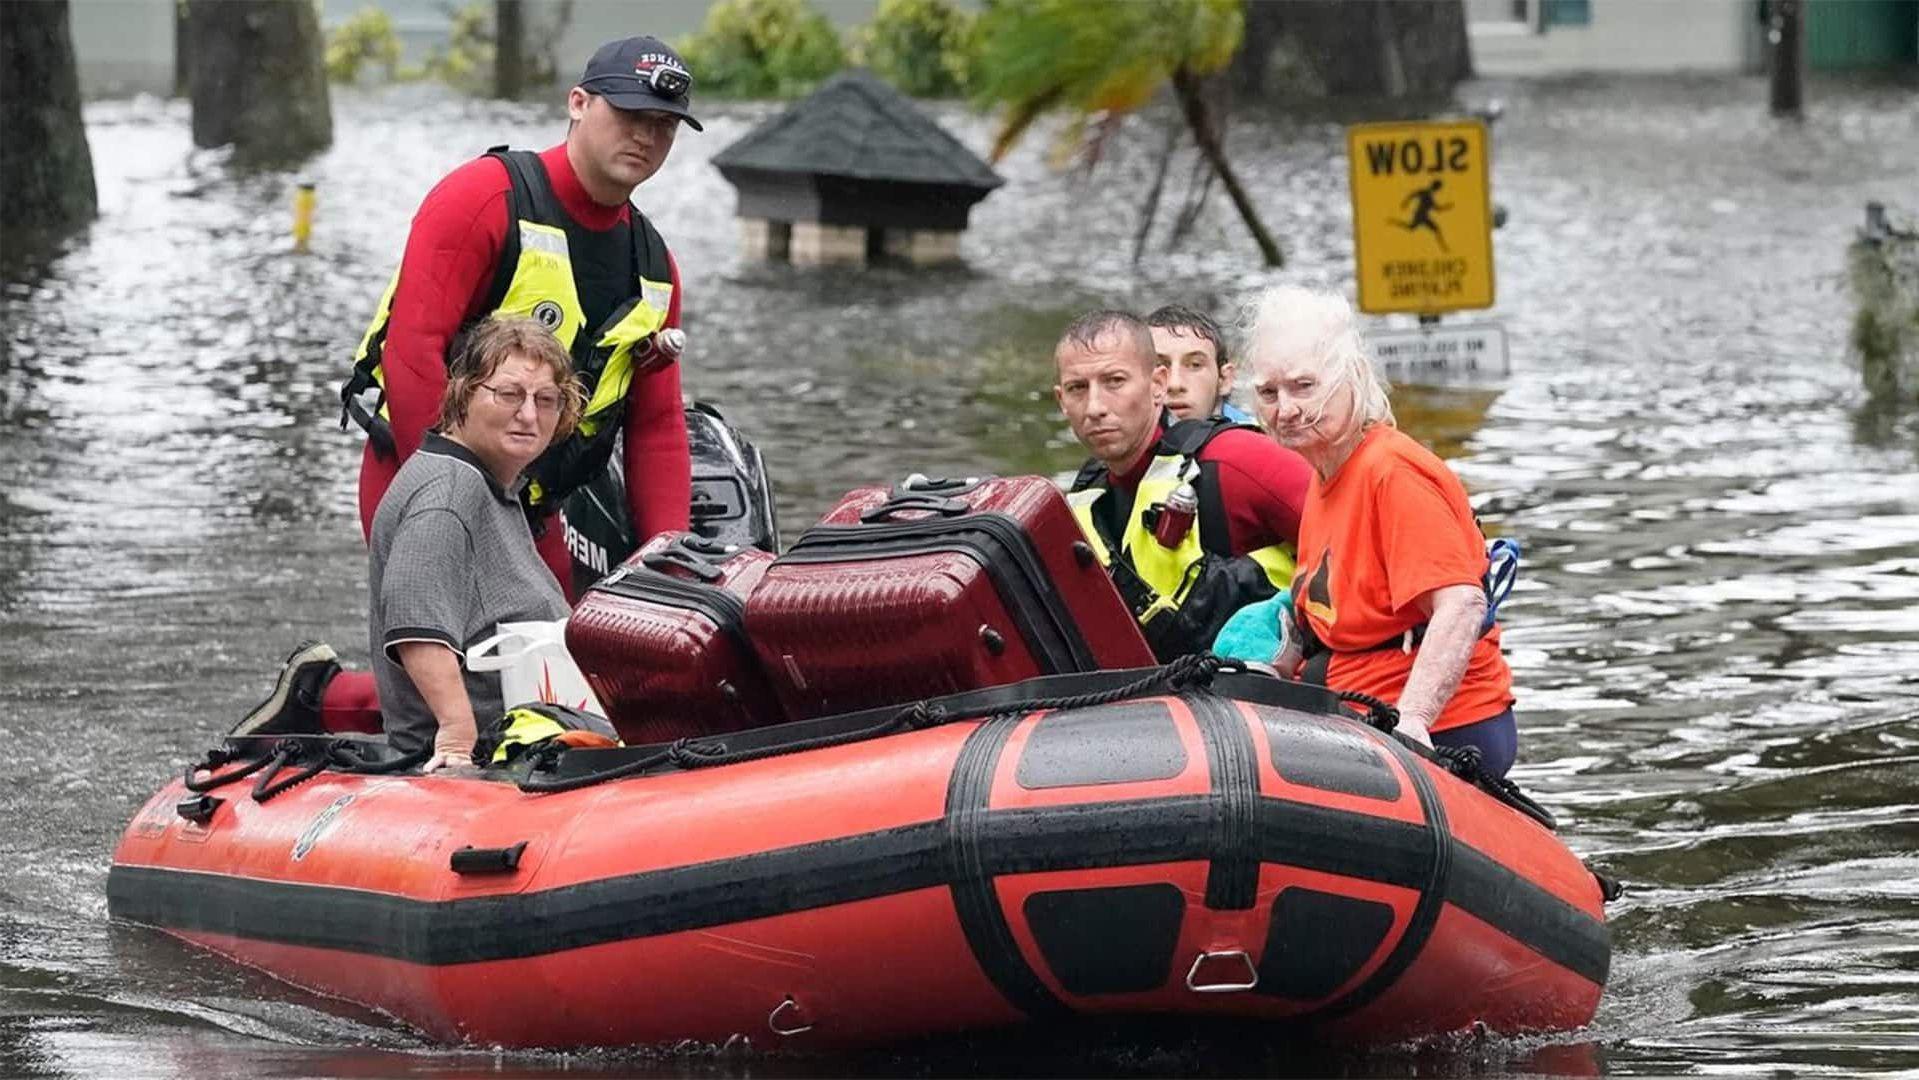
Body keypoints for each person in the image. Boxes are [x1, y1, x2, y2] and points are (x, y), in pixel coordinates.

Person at [339, 35, 699, 601]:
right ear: (577, 103)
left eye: (665, 124)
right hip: (421, 478)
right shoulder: (482, 198)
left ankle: (319, 690)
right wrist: (459, 502)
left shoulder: (655, 267)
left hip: (534, 504)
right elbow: (411, 355)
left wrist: (668, 564)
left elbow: (655, 428)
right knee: (443, 678)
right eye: (630, 113)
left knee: (550, 674)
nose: (646, 136)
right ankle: (326, 691)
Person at [241, 317, 587, 772]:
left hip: (538, 739)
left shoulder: (485, 481)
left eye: (546, 400)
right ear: (463, 393)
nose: (528, 414)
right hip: (487, 758)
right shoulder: (446, 497)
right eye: (508, 394)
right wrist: (457, 737)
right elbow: (416, 623)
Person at [1241, 284, 1517, 774]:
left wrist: (1411, 723)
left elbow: (1461, 604)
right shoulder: (1325, 471)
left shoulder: (1392, 472)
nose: (1284, 410)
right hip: (1348, 710)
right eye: (1268, 392)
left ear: (1353, 377)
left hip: (1442, 729)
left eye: (1304, 387)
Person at [1054, 310, 1312, 661]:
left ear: (1157, 385)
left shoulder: (1235, 459)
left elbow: (1364, 538)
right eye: (1077, 389)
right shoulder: (1081, 507)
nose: (1095, 407)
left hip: (1272, 694)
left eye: (1114, 381)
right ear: (1061, 401)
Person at [1145, 304, 1252, 423]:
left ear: (1224, 380)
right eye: (1158, 365)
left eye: (1195, 365)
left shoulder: (1259, 439)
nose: (1174, 385)